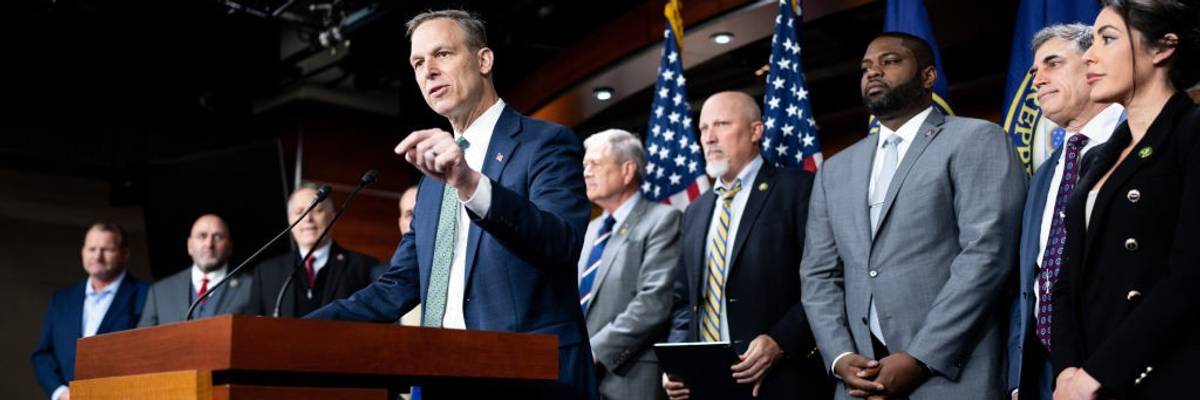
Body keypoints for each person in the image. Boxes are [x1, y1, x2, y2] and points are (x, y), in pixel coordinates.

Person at [305, 9, 596, 399]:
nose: (429, 71)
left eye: (442, 54)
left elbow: (560, 243)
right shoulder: (432, 180)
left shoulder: (544, 143)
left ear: (483, 61)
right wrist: (300, 329)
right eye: (418, 63)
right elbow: (398, 285)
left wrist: (471, 183)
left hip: (528, 380)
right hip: (442, 378)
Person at [800, 32, 1026, 399]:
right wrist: (841, 356)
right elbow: (818, 275)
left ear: (927, 76)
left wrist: (920, 357)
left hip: (951, 375)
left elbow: (987, 257)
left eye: (889, 61)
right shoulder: (835, 170)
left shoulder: (976, 139)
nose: (873, 72)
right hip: (859, 383)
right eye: (865, 67)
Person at [1051, 1, 1200, 398]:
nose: (1089, 56)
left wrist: (1098, 373)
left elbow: (1190, 275)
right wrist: (1066, 369)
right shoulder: (1097, 159)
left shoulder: (1191, 133)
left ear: (1162, 48)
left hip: (1162, 375)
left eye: (1108, 38)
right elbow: (1066, 281)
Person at [664, 91, 829, 400]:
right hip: (707, 385)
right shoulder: (696, 211)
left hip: (780, 381)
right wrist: (677, 361)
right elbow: (683, 301)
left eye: (722, 124)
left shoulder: (797, 189)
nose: (709, 138)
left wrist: (781, 340)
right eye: (703, 128)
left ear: (756, 131)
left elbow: (824, 281)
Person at [1006, 23, 1124, 400]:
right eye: (1034, 71)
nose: (1037, 80)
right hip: (1042, 371)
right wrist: (1016, 379)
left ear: (1095, 65)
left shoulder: (1139, 144)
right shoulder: (1042, 175)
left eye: (1052, 64)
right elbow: (1028, 282)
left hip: (1119, 362)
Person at [578, 129, 680, 400]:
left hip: (630, 377)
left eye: (595, 164)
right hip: (579, 377)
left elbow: (654, 302)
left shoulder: (663, 220)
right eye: (585, 165)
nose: (586, 172)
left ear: (627, 170)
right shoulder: (590, 230)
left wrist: (595, 350)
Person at [32, 223, 149, 400]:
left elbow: (148, 355)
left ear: (124, 254)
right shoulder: (62, 299)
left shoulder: (147, 294)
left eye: (106, 249)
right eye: (92, 248)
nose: (97, 256)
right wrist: (60, 392)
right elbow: (43, 355)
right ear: (83, 252)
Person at [246, 185, 377, 317]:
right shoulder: (266, 272)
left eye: (317, 210)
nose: (308, 218)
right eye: (299, 212)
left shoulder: (363, 267)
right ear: (290, 220)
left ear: (332, 217)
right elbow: (251, 328)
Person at [139, 214, 252, 326]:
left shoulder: (250, 287)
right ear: (190, 246)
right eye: (202, 236)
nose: (209, 244)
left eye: (218, 237)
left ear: (229, 247)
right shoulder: (160, 292)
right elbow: (141, 340)